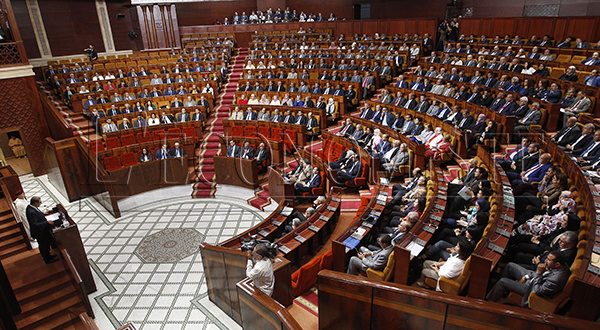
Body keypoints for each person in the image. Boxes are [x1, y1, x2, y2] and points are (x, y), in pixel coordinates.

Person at [486, 251, 570, 307]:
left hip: (531, 289)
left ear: (557, 264)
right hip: (534, 279)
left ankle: (489, 301)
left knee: (502, 281)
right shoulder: (562, 266)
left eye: (548, 260)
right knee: (510, 265)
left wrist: (538, 273)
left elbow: (537, 291)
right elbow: (544, 273)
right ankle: (503, 292)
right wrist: (526, 276)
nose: (545, 261)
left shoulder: (557, 279)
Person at [26, 197, 58, 264]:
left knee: (46, 245)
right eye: (40, 202)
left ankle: (49, 256)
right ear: (35, 203)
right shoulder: (31, 212)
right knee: (44, 246)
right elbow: (35, 224)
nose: (40, 204)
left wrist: (43, 213)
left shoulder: (30, 207)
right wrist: (47, 222)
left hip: (42, 232)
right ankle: (47, 259)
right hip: (40, 233)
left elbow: (37, 215)